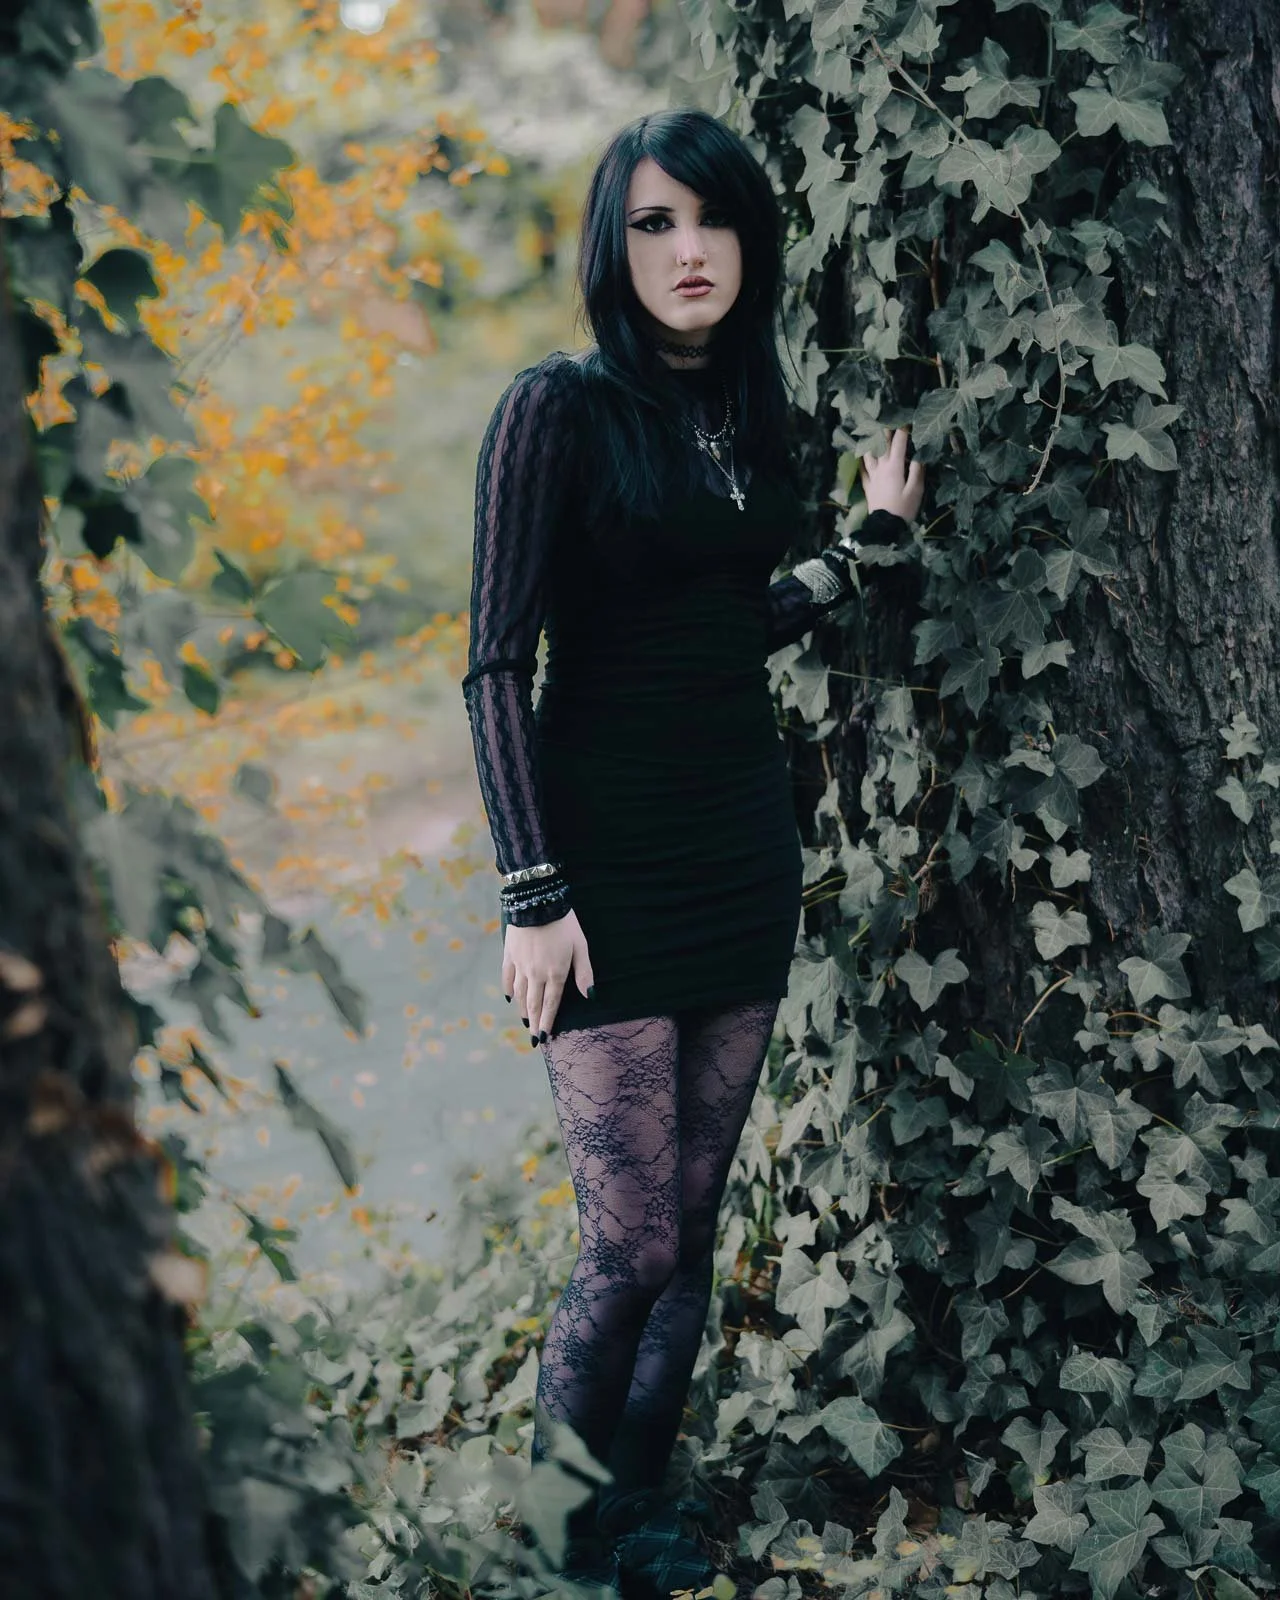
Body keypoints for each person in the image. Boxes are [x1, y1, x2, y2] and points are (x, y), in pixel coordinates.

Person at [460, 108, 924, 1598]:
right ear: (615, 246)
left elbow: (726, 623)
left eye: (710, 220)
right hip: (599, 869)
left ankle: (640, 1511)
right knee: (633, 1242)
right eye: (653, 224)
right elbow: (490, 668)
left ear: (750, 241)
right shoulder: (560, 408)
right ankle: (556, 1533)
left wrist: (861, 553)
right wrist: (532, 895)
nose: (687, 250)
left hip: (738, 850)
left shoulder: (747, 413)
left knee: (699, 1220)